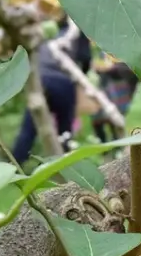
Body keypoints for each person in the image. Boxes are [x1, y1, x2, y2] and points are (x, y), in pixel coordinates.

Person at [11, 18, 92, 163]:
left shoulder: (43, 27)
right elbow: (85, 58)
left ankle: (14, 165)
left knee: (29, 127)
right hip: (64, 81)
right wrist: (78, 77)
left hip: (41, 79)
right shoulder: (78, 31)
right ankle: (65, 168)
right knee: (65, 130)